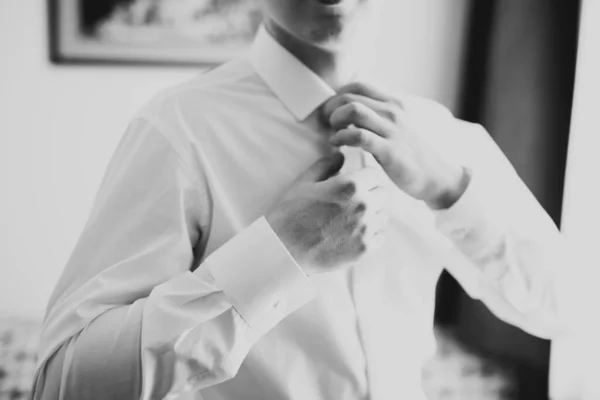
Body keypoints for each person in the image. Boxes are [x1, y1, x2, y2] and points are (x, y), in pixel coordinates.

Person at [33, 0, 571, 399]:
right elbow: (63, 384)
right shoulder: (178, 130)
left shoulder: (444, 140)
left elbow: (569, 309)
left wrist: (450, 189)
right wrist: (278, 256)